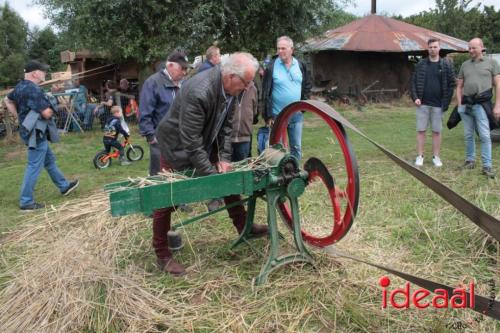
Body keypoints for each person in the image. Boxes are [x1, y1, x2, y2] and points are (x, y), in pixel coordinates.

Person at [154, 52, 268, 275]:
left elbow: (226, 129)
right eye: (246, 82)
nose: (247, 88)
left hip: (201, 142)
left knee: (227, 179)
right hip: (176, 147)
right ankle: (162, 254)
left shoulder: (231, 89)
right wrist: (211, 175)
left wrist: (224, 159)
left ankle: (244, 227)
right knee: (165, 198)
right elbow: (190, 142)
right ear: (230, 76)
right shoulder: (200, 91)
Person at [3, 60, 79, 211]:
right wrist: (57, 105)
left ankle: (64, 186)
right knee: (33, 166)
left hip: (28, 130)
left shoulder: (20, 87)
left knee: (49, 160)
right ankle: (26, 202)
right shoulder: (34, 90)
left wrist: (18, 117)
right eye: (43, 71)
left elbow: (7, 100)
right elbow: (46, 113)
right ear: (35, 73)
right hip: (35, 133)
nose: (44, 73)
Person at [139, 51, 190, 176]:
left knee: (180, 177)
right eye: (182, 68)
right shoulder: (153, 83)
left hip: (181, 140)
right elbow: (144, 113)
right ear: (170, 66)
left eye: (186, 69)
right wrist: (151, 137)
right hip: (160, 141)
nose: (184, 72)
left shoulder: (184, 84)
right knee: (160, 177)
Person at [262, 36, 312, 161]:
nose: (280, 51)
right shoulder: (271, 67)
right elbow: (265, 93)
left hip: (296, 115)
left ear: (291, 49)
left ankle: (295, 175)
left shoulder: (300, 65)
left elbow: (307, 85)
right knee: (276, 150)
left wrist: (303, 106)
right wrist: (267, 116)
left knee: (296, 147)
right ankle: (279, 177)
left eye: (283, 48)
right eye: (278, 49)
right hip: (277, 115)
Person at [456, 38, 500, 178]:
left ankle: (487, 167)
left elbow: (498, 85)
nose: (470, 51)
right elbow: (459, 86)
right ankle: (470, 161)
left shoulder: (492, 63)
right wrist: (459, 104)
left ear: (482, 47)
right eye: (469, 48)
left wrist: (498, 105)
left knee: (485, 136)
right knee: (468, 135)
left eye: (473, 48)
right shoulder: (465, 65)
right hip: (466, 105)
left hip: (482, 105)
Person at [410, 38, 456, 167]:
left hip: (438, 105)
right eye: (430, 47)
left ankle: (436, 157)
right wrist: (415, 98)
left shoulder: (446, 65)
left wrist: (446, 101)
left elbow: (452, 83)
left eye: (435, 47)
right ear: (427, 48)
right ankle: (420, 156)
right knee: (421, 131)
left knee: (436, 132)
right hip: (422, 104)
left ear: (439, 48)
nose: (432, 49)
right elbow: (413, 82)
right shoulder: (421, 64)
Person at [231, 82, 258, 161]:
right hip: (227, 137)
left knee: (242, 168)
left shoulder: (253, 89)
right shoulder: (229, 87)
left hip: (244, 138)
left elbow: (254, 111)